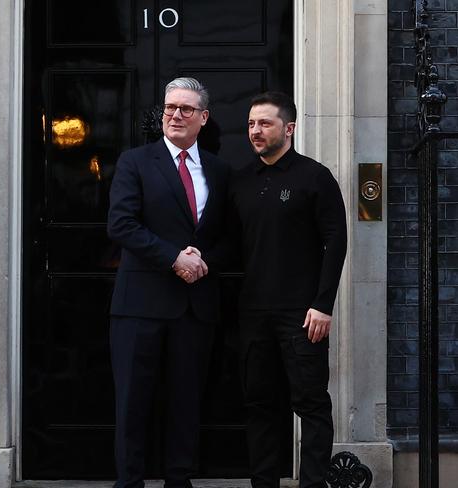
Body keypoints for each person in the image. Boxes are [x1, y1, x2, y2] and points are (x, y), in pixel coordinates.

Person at [107, 77, 230, 488]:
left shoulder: (219, 169)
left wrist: (202, 261)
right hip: (140, 305)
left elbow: (229, 235)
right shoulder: (135, 162)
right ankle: (130, 483)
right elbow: (121, 225)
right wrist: (173, 258)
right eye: (169, 108)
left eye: (186, 109)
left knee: (186, 403)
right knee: (132, 404)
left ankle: (180, 480)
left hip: (195, 307)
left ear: (204, 118)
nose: (176, 115)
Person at [229, 92, 347, 488]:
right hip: (253, 314)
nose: (255, 131)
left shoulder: (314, 177)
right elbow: (228, 243)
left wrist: (323, 304)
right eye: (250, 124)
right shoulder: (241, 181)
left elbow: (336, 240)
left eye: (264, 123)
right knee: (260, 405)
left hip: (303, 315)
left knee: (311, 405)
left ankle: (313, 483)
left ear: (289, 128)